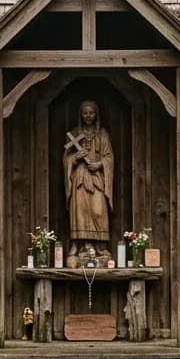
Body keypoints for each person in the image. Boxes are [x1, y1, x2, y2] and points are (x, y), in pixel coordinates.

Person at [64, 100, 113, 259]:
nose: (88, 116)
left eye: (91, 112)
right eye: (85, 113)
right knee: (81, 211)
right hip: (79, 177)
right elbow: (66, 158)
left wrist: (99, 164)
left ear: (96, 114)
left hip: (96, 177)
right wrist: (75, 158)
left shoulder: (103, 133)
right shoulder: (75, 133)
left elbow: (109, 157)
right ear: (81, 114)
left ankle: (100, 246)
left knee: (98, 211)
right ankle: (81, 246)